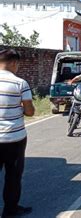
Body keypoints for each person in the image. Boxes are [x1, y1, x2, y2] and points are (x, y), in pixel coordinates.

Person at [0, 49, 35, 217]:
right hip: (14, 138)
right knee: (13, 177)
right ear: (13, 63)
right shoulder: (20, 83)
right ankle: (10, 210)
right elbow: (29, 112)